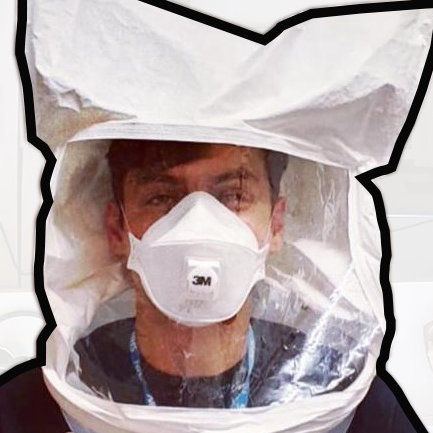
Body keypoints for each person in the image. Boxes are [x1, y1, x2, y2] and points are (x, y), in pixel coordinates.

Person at [0, 139, 422, 432]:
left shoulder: (344, 400)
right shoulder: (27, 412)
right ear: (117, 230)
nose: (198, 226)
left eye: (233, 196)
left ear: (275, 226)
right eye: (162, 198)